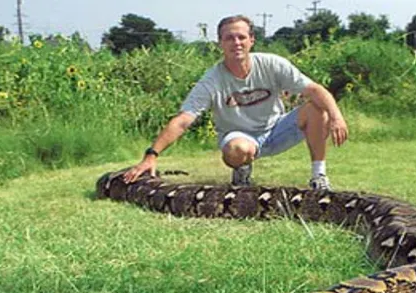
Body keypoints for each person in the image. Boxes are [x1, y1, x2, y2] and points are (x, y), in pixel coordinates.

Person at [122, 15, 348, 189]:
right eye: (229, 38)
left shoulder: (272, 64)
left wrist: (337, 117)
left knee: (318, 108)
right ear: (220, 43)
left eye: (241, 37)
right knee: (238, 149)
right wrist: (151, 155)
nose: (236, 42)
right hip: (240, 138)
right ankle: (241, 169)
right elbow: (183, 120)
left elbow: (315, 90)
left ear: (251, 40)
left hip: (276, 129)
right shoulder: (212, 80)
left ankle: (319, 176)